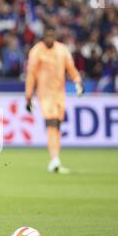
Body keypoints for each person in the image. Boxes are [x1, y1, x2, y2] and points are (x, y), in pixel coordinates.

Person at [25, 26, 84, 173]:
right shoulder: (36, 51)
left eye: (52, 36)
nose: (49, 39)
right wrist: (28, 96)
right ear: (43, 37)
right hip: (45, 94)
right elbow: (31, 75)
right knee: (51, 124)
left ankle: (55, 159)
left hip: (59, 94)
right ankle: (55, 160)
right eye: (47, 36)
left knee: (57, 126)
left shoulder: (62, 50)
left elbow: (71, 68)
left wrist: (77, 81)